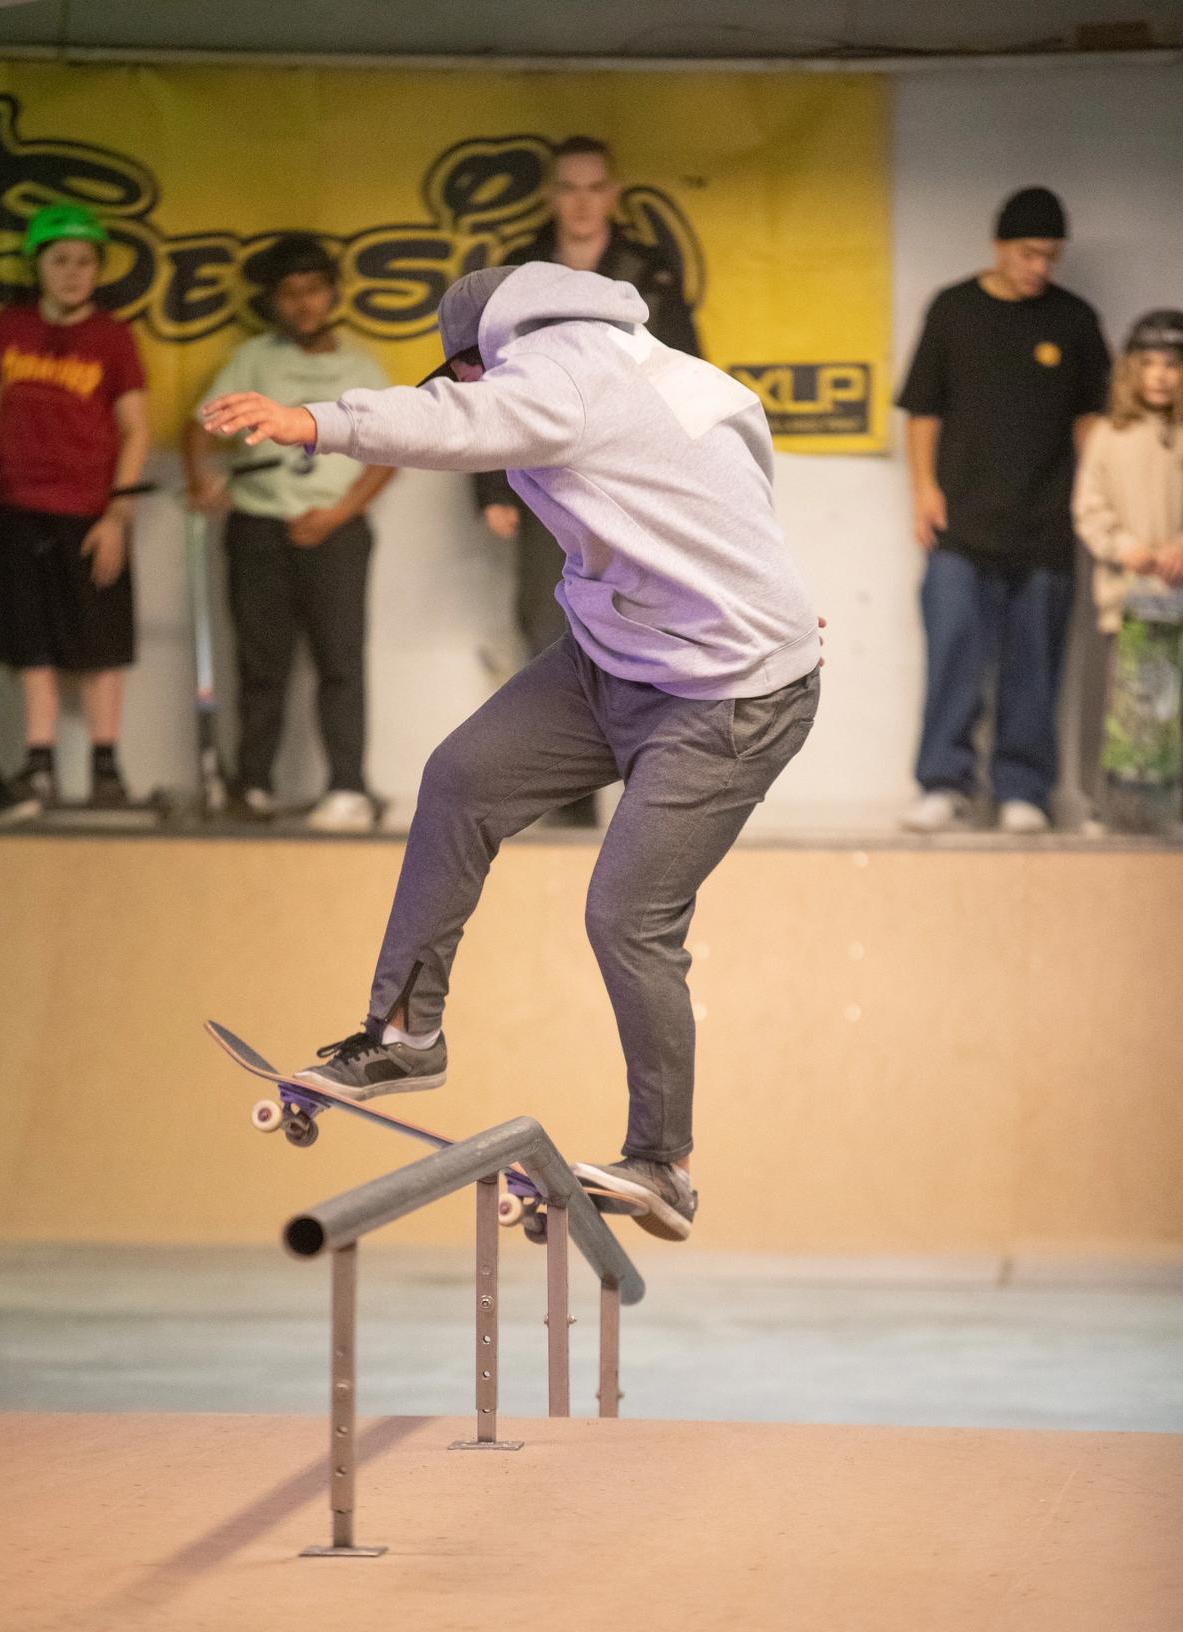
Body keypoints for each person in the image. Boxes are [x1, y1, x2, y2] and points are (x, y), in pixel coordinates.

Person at [203, 263, 822, 1240]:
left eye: (465, 377)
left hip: (724, 702)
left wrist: (314, 423)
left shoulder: (556, 368)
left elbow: (457, 423)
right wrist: (753, 589)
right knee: (463, 778)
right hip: (614, 661)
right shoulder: (655, 365)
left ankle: (664, 1163)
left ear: (476, 357)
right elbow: (738, 462)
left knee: (628, 916)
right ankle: (406, 1034)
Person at [476, 136, 701, 825]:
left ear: (614, 194)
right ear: (551, 196)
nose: (581, 202)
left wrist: (684, 486)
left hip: (633, 483)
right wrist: (490, 486)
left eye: (594, 187)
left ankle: (653, 794)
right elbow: (481, 375)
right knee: (550, 631)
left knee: (649, 630)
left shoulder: (648, 272)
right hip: (543, 477)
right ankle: (570, 806)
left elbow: (688, 379)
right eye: (568, 188)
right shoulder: (517, 274)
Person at [897, 187, 1110, 834]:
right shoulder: (954, 309)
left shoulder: (1074, 320)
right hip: (959, 524)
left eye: (1050, 256)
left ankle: (1024, 790)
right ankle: (944, 783)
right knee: (954, 657)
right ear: (999, 245)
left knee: (1034, 667)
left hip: (1046, 526)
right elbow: (922, 409)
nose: (1038, 267)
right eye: (1027, 253)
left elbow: (1093, 421)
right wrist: (924, 489)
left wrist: (1096, 502)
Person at [183, 234, 394, 831]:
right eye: (290, 293)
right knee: (260, 665)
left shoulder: (361, 368)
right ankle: (252, 785)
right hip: (259, 527)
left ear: (334, 294)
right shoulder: (254, 359)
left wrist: (339, 512)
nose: (303, 304)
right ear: (273, 302)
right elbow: (199, 426)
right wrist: (200, 480)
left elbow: (389, 451)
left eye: (314, 290)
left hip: (336, 531)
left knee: (341, 663)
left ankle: (348, 787)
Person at [0, 203, 150, 806]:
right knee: (30, 639)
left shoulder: (112, 336)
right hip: (19, 504)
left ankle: (107, 768)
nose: (73, 272)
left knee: (102, 639)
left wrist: (118, 514)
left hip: (89, 509)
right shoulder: (8, 328)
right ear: (38, 266)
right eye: (60, 260)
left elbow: (136, 428)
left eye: (84, 261)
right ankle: (39, 762)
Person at [1072, 310, 1183, 829]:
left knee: (1171, 708)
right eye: (1150, 363)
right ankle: (1107, 808)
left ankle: (1171, 811)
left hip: (1177, 601)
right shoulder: (1109, 434)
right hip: (1125, 602)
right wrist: (1125, 546)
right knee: (1118, 706)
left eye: (1173, 365)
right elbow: (1089, 507)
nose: (1160, 376)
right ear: (1131, 370)